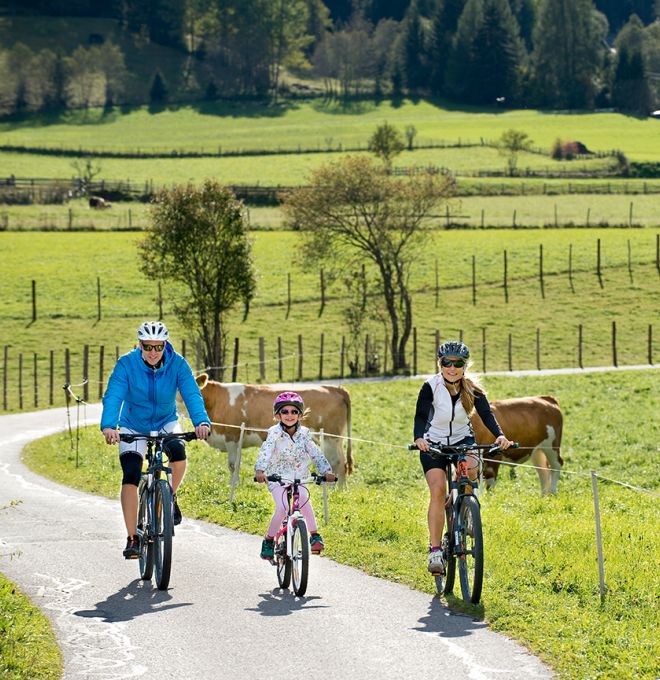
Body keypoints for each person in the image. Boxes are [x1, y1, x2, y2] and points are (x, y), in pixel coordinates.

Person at [101, 321, 211, 559]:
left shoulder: (178, 364)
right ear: (139, 345)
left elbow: (192, 394)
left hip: (165, 421)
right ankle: (132, 537)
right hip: (132, 424)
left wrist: (201, 422)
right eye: (147, 347)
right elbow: (113, 395)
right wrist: (109, 426)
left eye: (158, 347)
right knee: (130, 474)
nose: (152, 352)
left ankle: (169, 495)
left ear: (165, 345)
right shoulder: (126, 364)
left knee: (178, 453)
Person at [413, 340, 513, 574]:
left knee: (470, 469)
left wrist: (500, 436)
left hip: (462, 441)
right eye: (446, 362)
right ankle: (436, 551)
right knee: (437, 490)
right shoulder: (431, 386)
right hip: (434, 444)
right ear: (440, 364)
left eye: (458, 363)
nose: (452, 367)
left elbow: (487, 415)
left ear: (464, 366)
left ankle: (468, 510)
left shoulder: (473, 389)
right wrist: (419, 438)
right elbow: (420, 415)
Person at [255, 391, 337, 560]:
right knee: (284, 507)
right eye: (285, 411)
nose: (289, 415)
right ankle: (269, 540)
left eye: (294, 411)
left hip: (299, 476)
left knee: (305, 500)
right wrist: (260, 471)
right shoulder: (274, 433)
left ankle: (314, 535)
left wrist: (326, 471)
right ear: (278, 415)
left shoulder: (305, 434)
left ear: (300, 414)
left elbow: (315, 453)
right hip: (278, 478)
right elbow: (266, 451)